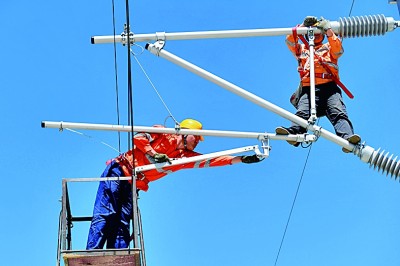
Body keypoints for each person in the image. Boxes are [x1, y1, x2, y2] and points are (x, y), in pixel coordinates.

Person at [86, 118, 263, 249]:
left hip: (133, 185)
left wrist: (241, 159)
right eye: (196, 137)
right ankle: (91, 255)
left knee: (123, 223)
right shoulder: (163, 132)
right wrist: (153, 153)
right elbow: (139, 137)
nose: (196, 142)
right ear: (185, 133)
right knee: (106, 214)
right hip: (118, 171)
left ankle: (118, 258)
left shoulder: (183, 157)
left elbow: (211, 160)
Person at [275, 16, 361, 152]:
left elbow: (338, 49)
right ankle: (294, 133)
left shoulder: (328, 47)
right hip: (309, 88)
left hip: (329, 87)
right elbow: (290, 40)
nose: (315, 37)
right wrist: (303, 25)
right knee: (302, 112)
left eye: (318, 34)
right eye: (313, 34)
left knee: (338, 112)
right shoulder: (303, 49)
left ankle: (347, 138)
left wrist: (329, 31)